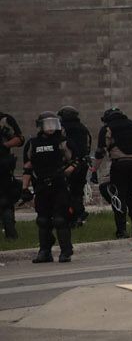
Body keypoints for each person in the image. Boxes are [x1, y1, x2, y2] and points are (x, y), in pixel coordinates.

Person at [21, 112, 76, 263]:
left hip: (59, 186)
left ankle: (66, 251)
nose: (51, 127)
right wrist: (25, 189)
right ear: (40, 126)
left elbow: (75, 162)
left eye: (54, 124)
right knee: (43, 220)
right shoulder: (33, 143)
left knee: (60, 219)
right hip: (41, 187)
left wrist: (65, 172)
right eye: (47, 124)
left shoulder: (62, 142)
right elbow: (27, 168)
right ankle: (45, 251)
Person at [93, 107, 132, 238]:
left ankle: (122, 230)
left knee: (117, 195)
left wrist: (94, 169)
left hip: (120, 165)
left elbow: (100, 152)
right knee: (130, 193)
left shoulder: (107, 128)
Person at [56, 106, 93, 226]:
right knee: (77, 190)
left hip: (67, 164)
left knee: (66, 190)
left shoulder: (62, 128)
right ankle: (79, 213)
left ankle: (72, 215)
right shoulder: (83, 128)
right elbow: (88, 145)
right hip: (82, 163)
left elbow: (59, 145)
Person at [0, 109, 24, 240]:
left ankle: (10, 233)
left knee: (5, 201)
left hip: (3, 166)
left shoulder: (4, 121)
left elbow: (20, 139)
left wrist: (5, 145)